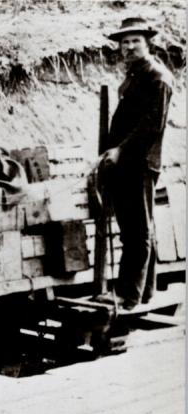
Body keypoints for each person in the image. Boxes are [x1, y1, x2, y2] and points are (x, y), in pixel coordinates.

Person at [100, 16, 173, 310]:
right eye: (124, 42)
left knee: (136, 230)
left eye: (135, 41)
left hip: (140, 162)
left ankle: (127, 295)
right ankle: (145, 290)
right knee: (139, 227)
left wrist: (120, 150)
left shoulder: (157, 77)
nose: (129, 47)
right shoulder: (135, 74)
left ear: (147, 43)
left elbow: (151, 126)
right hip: (126, 161)